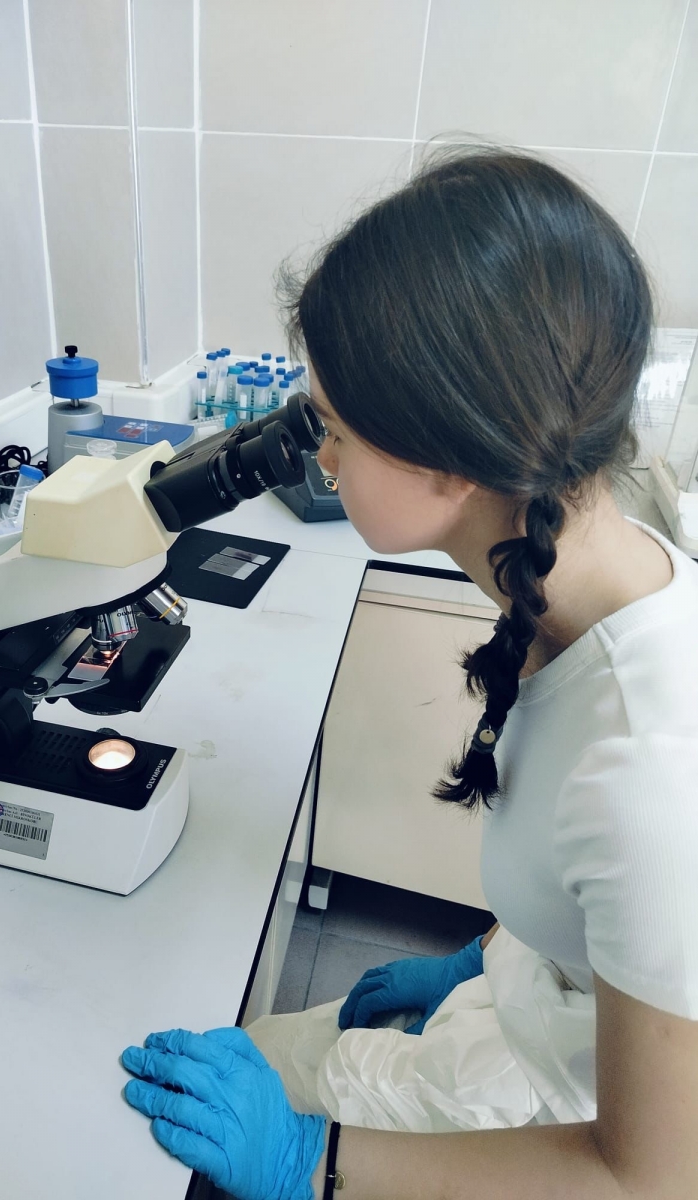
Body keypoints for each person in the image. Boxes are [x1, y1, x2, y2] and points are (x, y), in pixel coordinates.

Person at [121, 146, 698, 1199]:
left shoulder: (654, 772)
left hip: (563, 1138)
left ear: (450, 458)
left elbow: (651, 1181)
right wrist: (493, 956)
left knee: (171, 1123)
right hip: (530, 1017)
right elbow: (595, 891)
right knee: (237, 1056)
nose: (322, 460)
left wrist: (313, 1164)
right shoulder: (611, 580)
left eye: (336, 431)